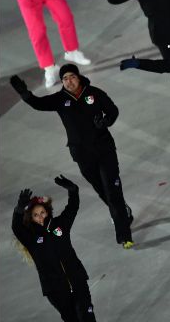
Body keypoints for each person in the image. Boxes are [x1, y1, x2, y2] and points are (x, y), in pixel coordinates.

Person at [9, 64, 134, 249]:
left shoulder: (94, 93)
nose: (69, 81)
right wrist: (25, 94)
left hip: (104, 150)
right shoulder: (60, 99)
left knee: (112, 190)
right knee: (102, 189)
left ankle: (124, 235)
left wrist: (106, 121)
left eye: (72, 77)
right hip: (82, 155)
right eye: (65, 78)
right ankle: (123, 212)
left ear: (79, 77)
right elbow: (38, 104)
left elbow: (113, 110)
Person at [11, 176, 112, 322]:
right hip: (55, 290)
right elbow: (16, 228)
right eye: (35, 215)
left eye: (42, 212)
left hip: (77, 280)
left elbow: (73, 208)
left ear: (47, 211)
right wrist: (18, 210)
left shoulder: (60, 225)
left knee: (87, 318)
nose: (40, 217)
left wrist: (73, 191)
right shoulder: (31, 238)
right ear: (31, 218)